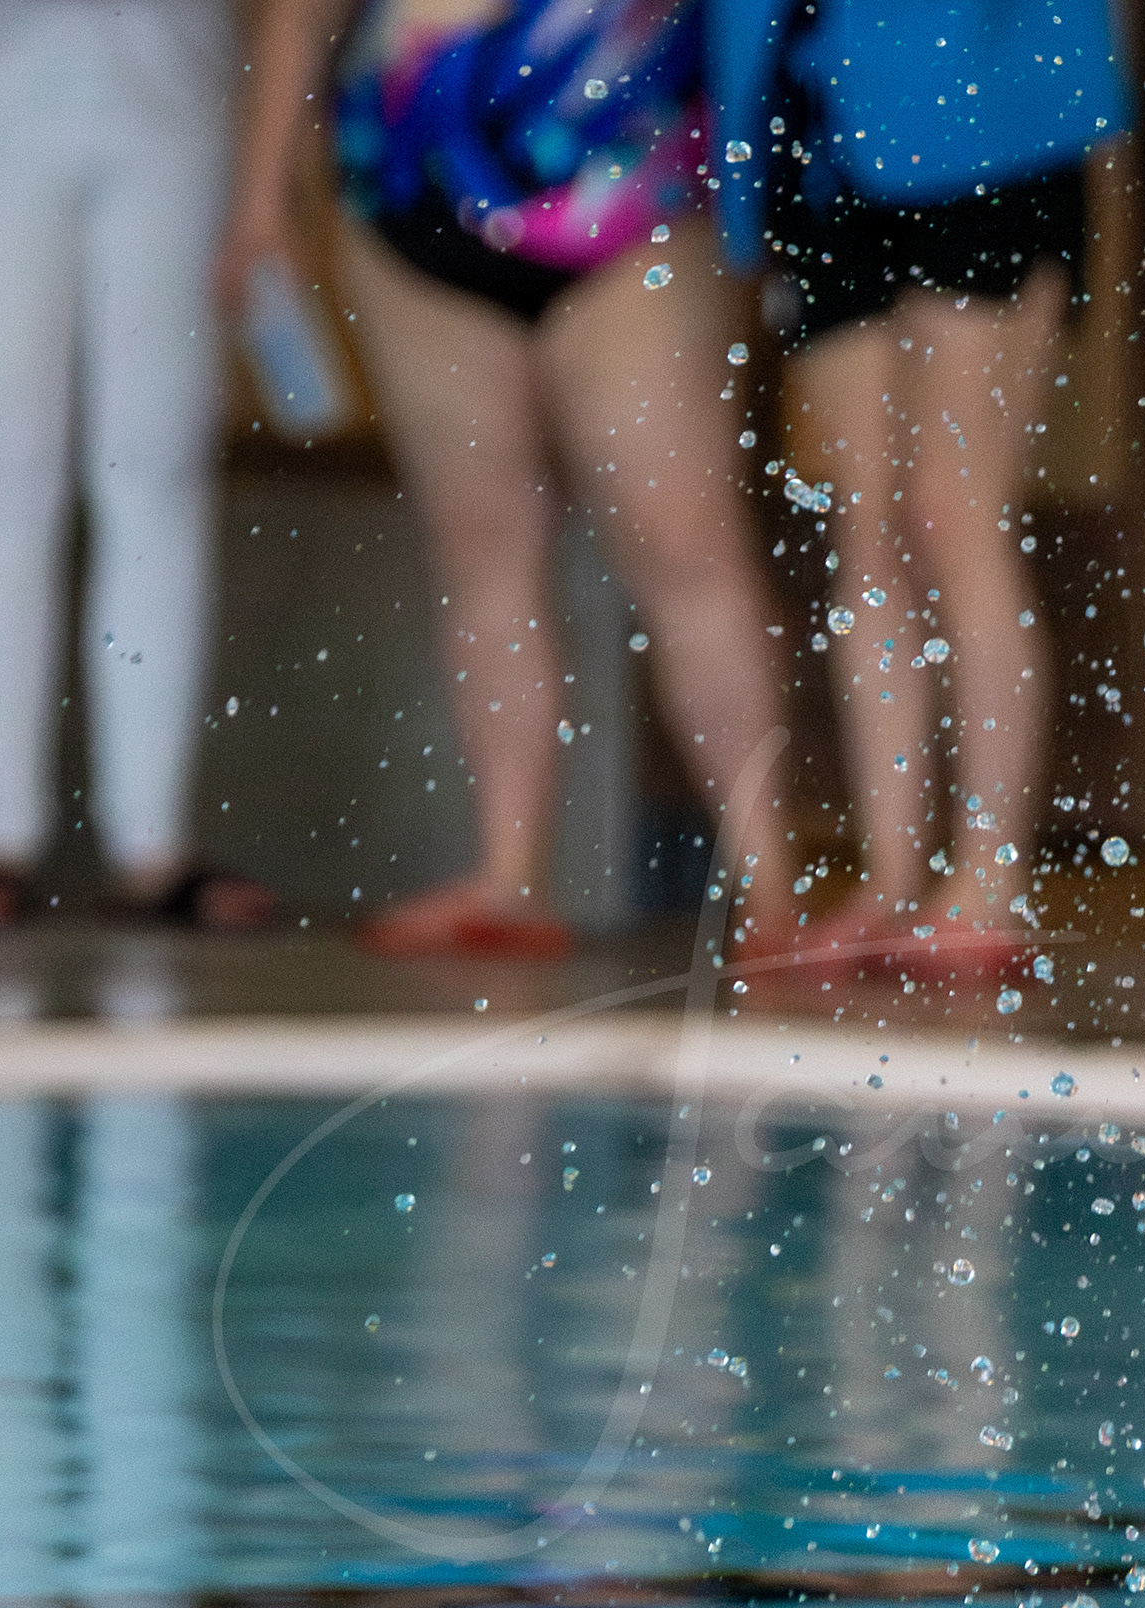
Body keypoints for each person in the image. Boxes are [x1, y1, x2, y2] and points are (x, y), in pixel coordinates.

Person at [220, 0, 798, 958]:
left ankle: (771, 883)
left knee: (685, 549)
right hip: (412, 174)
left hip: (630, 169)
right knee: (483, 553)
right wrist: (258, 199)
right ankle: (508, 871)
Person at [705, 0, 1126, 978]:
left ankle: (990, 874)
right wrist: (743, 177)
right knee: (866, 526)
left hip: (993, 122)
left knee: (953, 510)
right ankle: (893, 876)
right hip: (815, 130)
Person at [0, 0, 273, 933]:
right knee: (1, 469)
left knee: (156, 473)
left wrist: (270, 179)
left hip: (180, 97)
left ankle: (152, 846)